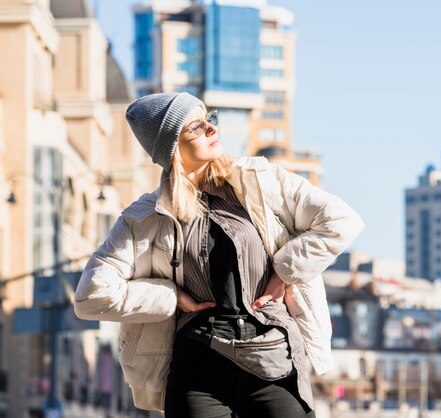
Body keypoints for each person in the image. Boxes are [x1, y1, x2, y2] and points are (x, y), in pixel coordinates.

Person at [74, 92, 364, 417]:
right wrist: (170, 297)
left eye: (209, 119)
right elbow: (90, 296)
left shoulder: (260, 180)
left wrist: (285, 271)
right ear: (172, 149)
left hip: (271, 358)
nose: (212, 130)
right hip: (198, 366)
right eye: (196, 128)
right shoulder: (143, 218)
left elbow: (340, 220)